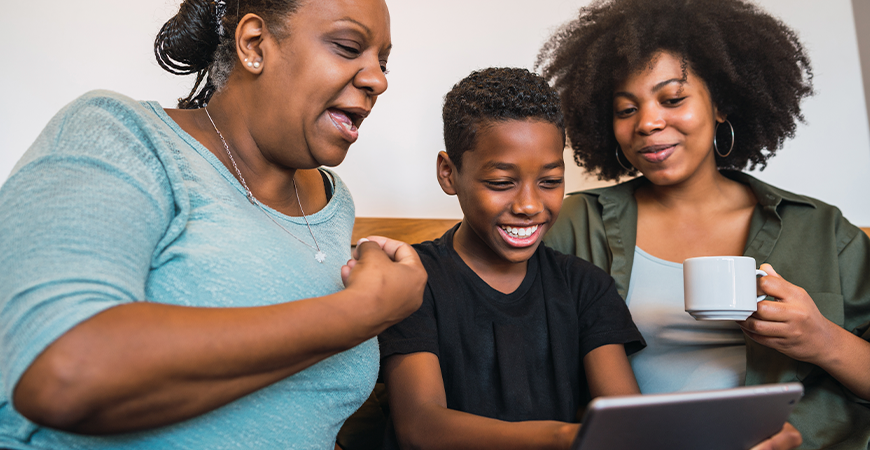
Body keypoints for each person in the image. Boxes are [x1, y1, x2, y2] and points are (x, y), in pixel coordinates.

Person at [0, 0, 426, 448]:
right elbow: (62, 375)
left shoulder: (333, 202)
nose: (378, 80)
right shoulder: (120, 134)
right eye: (348, 47)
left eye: (382, 63)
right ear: (254, 44)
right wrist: (361, 311)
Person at [537, 0, 870, 448]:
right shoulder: (577, 223)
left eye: (672, 99)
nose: (648, 122)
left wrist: (824, 339)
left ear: (721, 105)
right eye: (626, 109)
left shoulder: (821, 230)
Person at [378, 67, 645, 450]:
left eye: (550, 181)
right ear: (449, 173)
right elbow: (420, 427)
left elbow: (626, 422)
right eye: (501, 183)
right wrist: (564, 436)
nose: (529, 205)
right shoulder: (414, 279)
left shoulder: (586, 287)